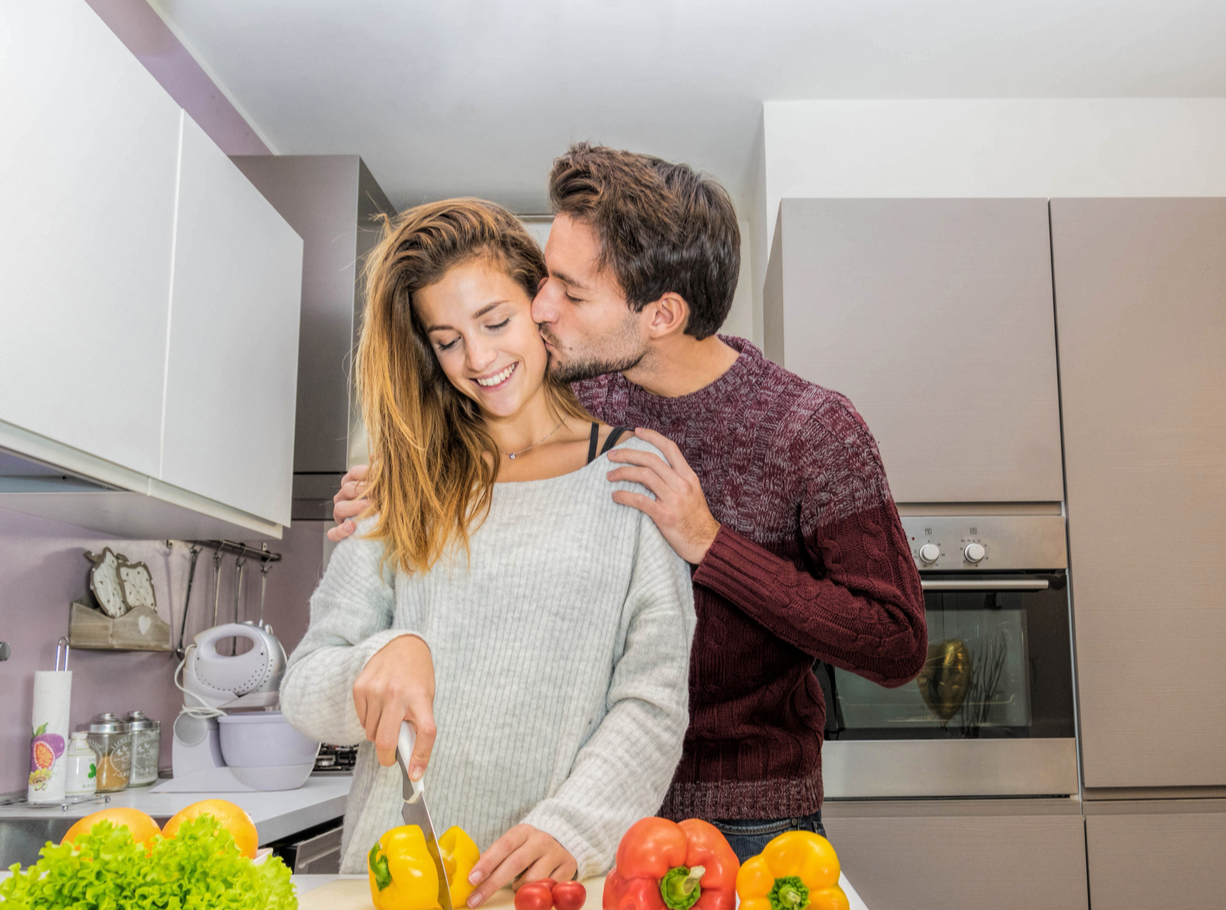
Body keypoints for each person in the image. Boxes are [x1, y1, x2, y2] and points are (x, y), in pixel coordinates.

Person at [332, 145, 926, 861]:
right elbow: (466, 428)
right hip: (580, 814)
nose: (540, 307)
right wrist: (400, 483)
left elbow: (895, 643)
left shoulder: (813, 431)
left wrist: (712, 544)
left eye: (572, 293)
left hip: (741, 826)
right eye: (546, 276)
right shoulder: (579, 391)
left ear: (662, 314)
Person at [283, 198, 695, 907]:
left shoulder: (633, 472)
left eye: (495, 322)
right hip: (393, 883)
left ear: (540, 303)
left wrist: (575, 825)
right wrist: (377, 657)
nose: (478, 360)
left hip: (555, 885)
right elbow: (305, 686)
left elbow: (654, 699)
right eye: (446, 340)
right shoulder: (400, 483)